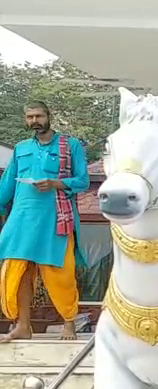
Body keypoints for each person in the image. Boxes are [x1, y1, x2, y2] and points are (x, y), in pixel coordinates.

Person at [0, 101, 90, 341]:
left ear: (49, 117)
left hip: (55, 219)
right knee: (19, 272)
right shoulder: (21, 148)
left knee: (59, 272)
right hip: (21, 219)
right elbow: (7, 184)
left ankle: (69, 324)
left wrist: (55, 184)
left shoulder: (70, 146)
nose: (34, 121)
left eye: (38, 116)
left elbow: (83, 181)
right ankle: (22, 326)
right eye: (30, 117)